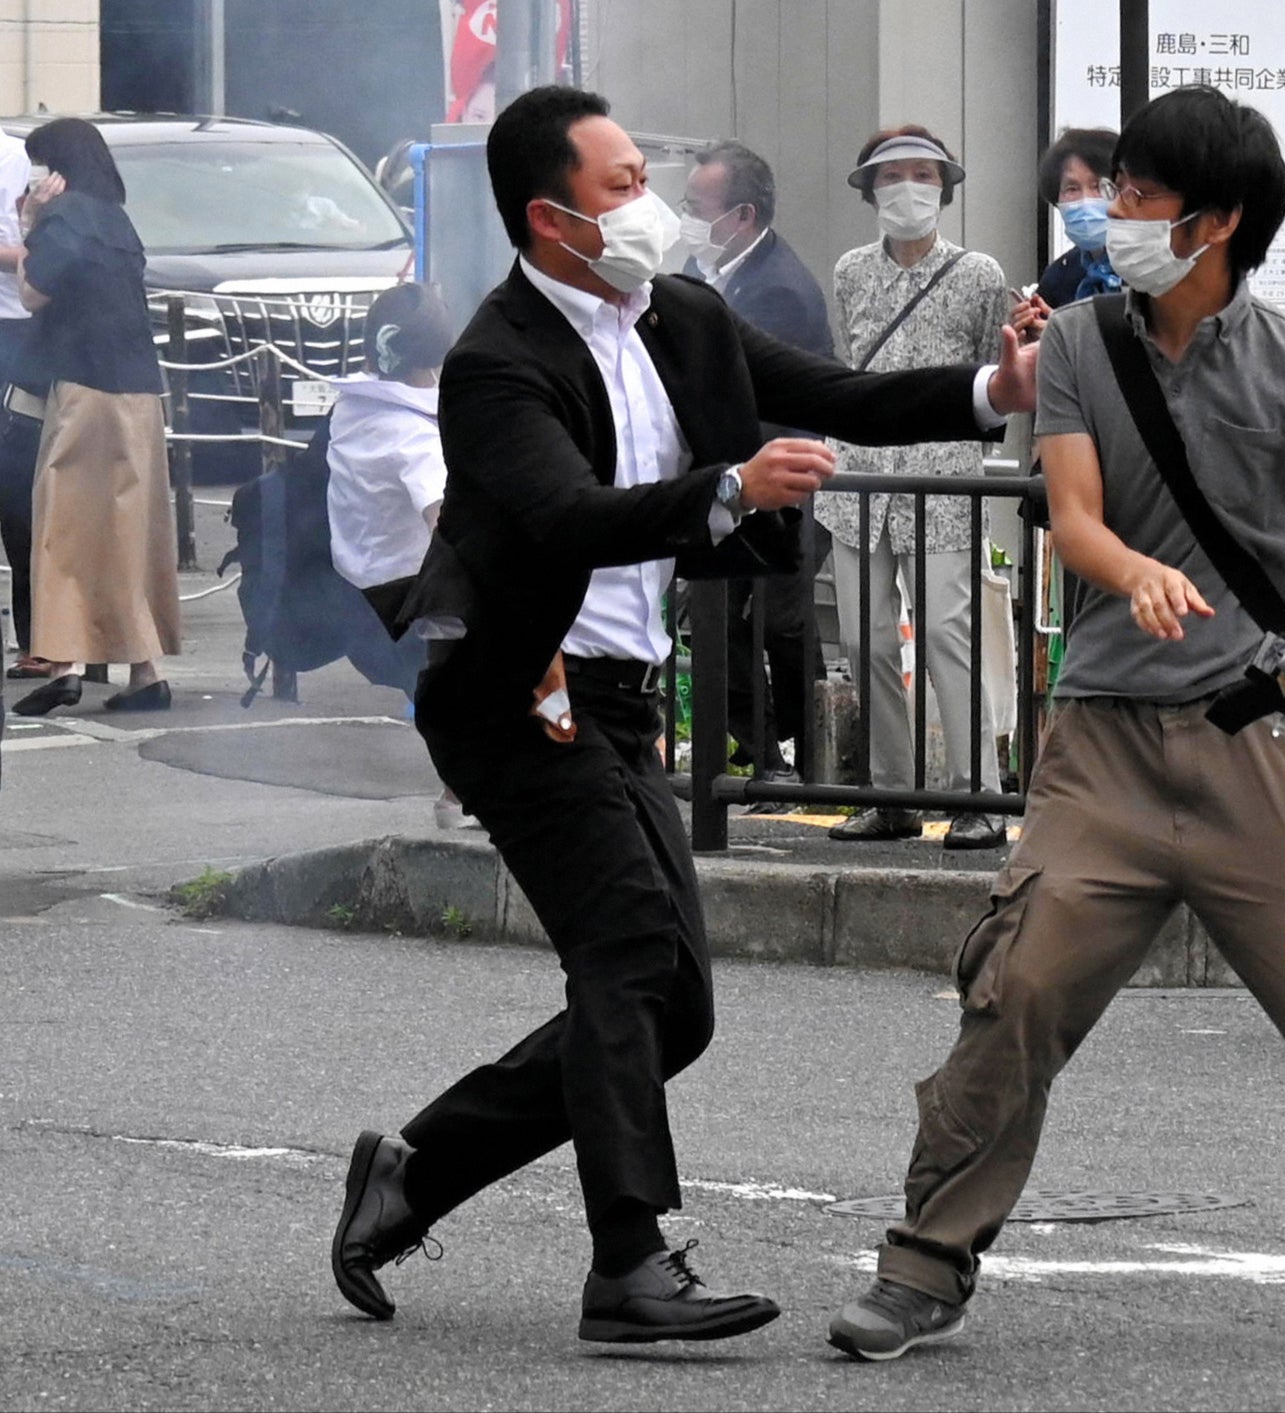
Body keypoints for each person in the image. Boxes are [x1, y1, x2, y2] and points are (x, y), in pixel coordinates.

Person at [329, 85, 1036, 1347]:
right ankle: (627, 1266)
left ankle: (416, 1174)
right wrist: (725, 486)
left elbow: (839, 393)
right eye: (616, 184)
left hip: (616, 694)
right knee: (625, 956)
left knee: (678, 1008)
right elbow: (566, 518)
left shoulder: (678, 314)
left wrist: (996, 385)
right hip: (518, 694)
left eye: (642, 173)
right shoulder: (500, 360)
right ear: (550, 218)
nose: (646, 201)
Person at [828, 86, 1285, 1363]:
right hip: (1104, 747)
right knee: (1013, 989)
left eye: (1136, 193)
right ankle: (923, 1266)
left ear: (1216, 220)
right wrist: (1126, 566)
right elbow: (1071, 513)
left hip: (1263, 745)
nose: (1111, 210)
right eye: (1116, 187)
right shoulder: (1080, 341)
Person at [817, 125, 1008, 851]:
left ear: (945, 187)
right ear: (869, 189)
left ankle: (977, 795)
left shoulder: (981, 274)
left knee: (946, 635)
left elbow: (997, 374)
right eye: (890, 175)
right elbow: (847, 357)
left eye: (923, 174)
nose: (907, 188)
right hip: (858, 476)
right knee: (863, 638)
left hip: (943, 479)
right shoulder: (850, 271)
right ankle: (891, 793)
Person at [11, 119, 179, 718]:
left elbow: (35, 293)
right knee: (130, 531)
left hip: (85, 387)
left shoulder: (64, 214)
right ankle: (144, 671)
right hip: (140, 387)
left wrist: (31, 222)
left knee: (65, 525)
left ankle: (63, 664)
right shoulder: (117, 217)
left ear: (55, 167)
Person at [679, 140, 832, 800]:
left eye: (695, 207)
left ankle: (793, 758)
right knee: (725, 621)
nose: (685, 219)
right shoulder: (706, 266)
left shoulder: (778, 289)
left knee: (775, 623)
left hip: (777, 488)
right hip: (733, 481)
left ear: (742, 215)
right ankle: (768, 755)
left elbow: (747, 395)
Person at [324, 281, 473, 831]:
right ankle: (460, 794)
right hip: (411, 589)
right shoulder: (412, 435)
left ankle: (464, 789)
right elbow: (446, 522)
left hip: (359, 584)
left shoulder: (355, 406)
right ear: (434, 360)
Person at [1010, 126, 1122, 344]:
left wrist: (1064, 336)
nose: (1086, 200)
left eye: (1099, 186)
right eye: (1071, 188)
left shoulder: (1149, 267)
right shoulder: (1058, 277)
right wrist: (1031, 335)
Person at [0, 128, 43, 679]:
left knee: (21, 497)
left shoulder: (15, 156)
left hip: (15, 332)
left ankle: (40, 639)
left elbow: (29, 254)